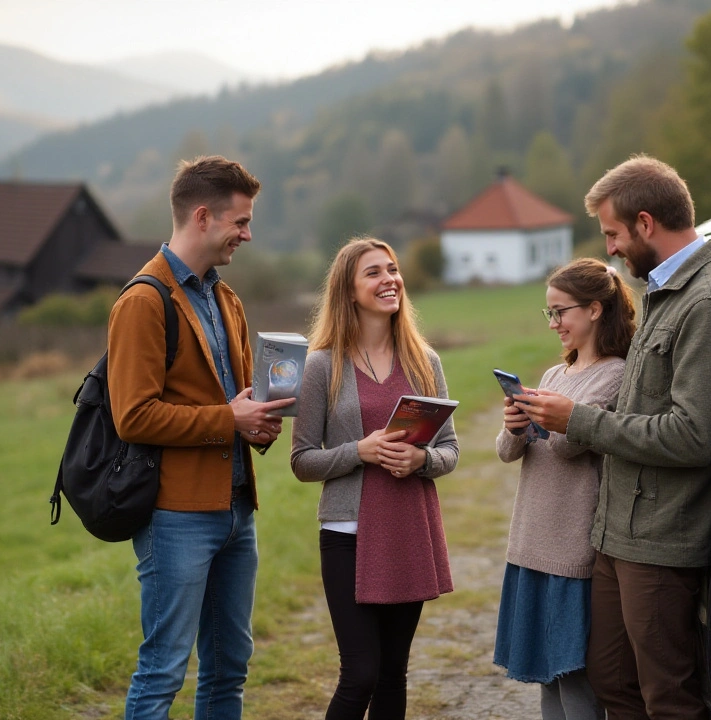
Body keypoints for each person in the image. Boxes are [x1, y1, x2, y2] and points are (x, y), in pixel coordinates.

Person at [513, 155, 711, 720]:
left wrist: (578, 419)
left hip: (662, 539)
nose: (612, 249)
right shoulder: (665, 293)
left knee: (666, 697)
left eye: (614, 234)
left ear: (646, 223)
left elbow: (695, 435)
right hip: (616, 535)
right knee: (612, 685)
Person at [108, 155, 295, 720]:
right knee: (164, 669)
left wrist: (260, 419)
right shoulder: (143, 301)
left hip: (238, 511)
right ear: (204, 216)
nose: (247, 234)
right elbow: (133, 417)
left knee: (229, 667)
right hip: (175, 517)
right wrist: (228, 420)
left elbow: (237, 402)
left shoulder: (225, 298)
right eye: (240, 222)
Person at [290, 237, 459, 720]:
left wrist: (420, 462)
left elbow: (449, 450)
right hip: (348, 535)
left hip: (408, 529)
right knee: (359, 673)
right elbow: (302, 460)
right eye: (373, 272)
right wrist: (358, 452)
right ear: (348, 291)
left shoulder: (425, 362)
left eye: (392, 269)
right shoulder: (323, 365)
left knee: (392, 673)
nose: (389, 279)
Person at [494, 258, 634, 720]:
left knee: (575, 678)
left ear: (594, 310)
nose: (554, 323)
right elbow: (507, 453)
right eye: (548, 314)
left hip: (571, 553)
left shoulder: (615, 374)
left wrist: (547, 418)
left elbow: (569, 447)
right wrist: (515, 423)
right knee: (547, 680)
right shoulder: (556, 377)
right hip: (531, 544)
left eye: (561, 312)